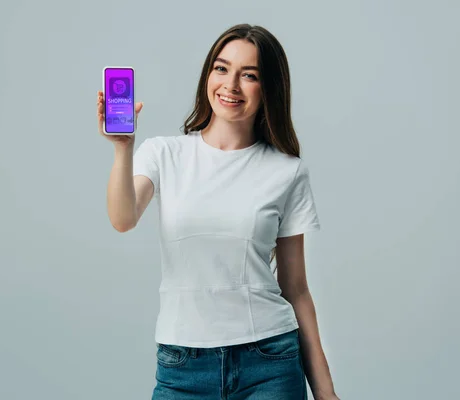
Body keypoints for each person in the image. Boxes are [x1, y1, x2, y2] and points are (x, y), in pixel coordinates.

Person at [96, 23, 339, 400]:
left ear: (269, 88)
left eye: (250, 75)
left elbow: (296, 288)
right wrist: (123, 147)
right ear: (208, 74)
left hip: (270, 363)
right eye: (222, 68)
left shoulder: (287, 171)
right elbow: (123, 218)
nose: (231, 85)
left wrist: (326, 393)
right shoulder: (164, 154)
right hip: (182, 368)